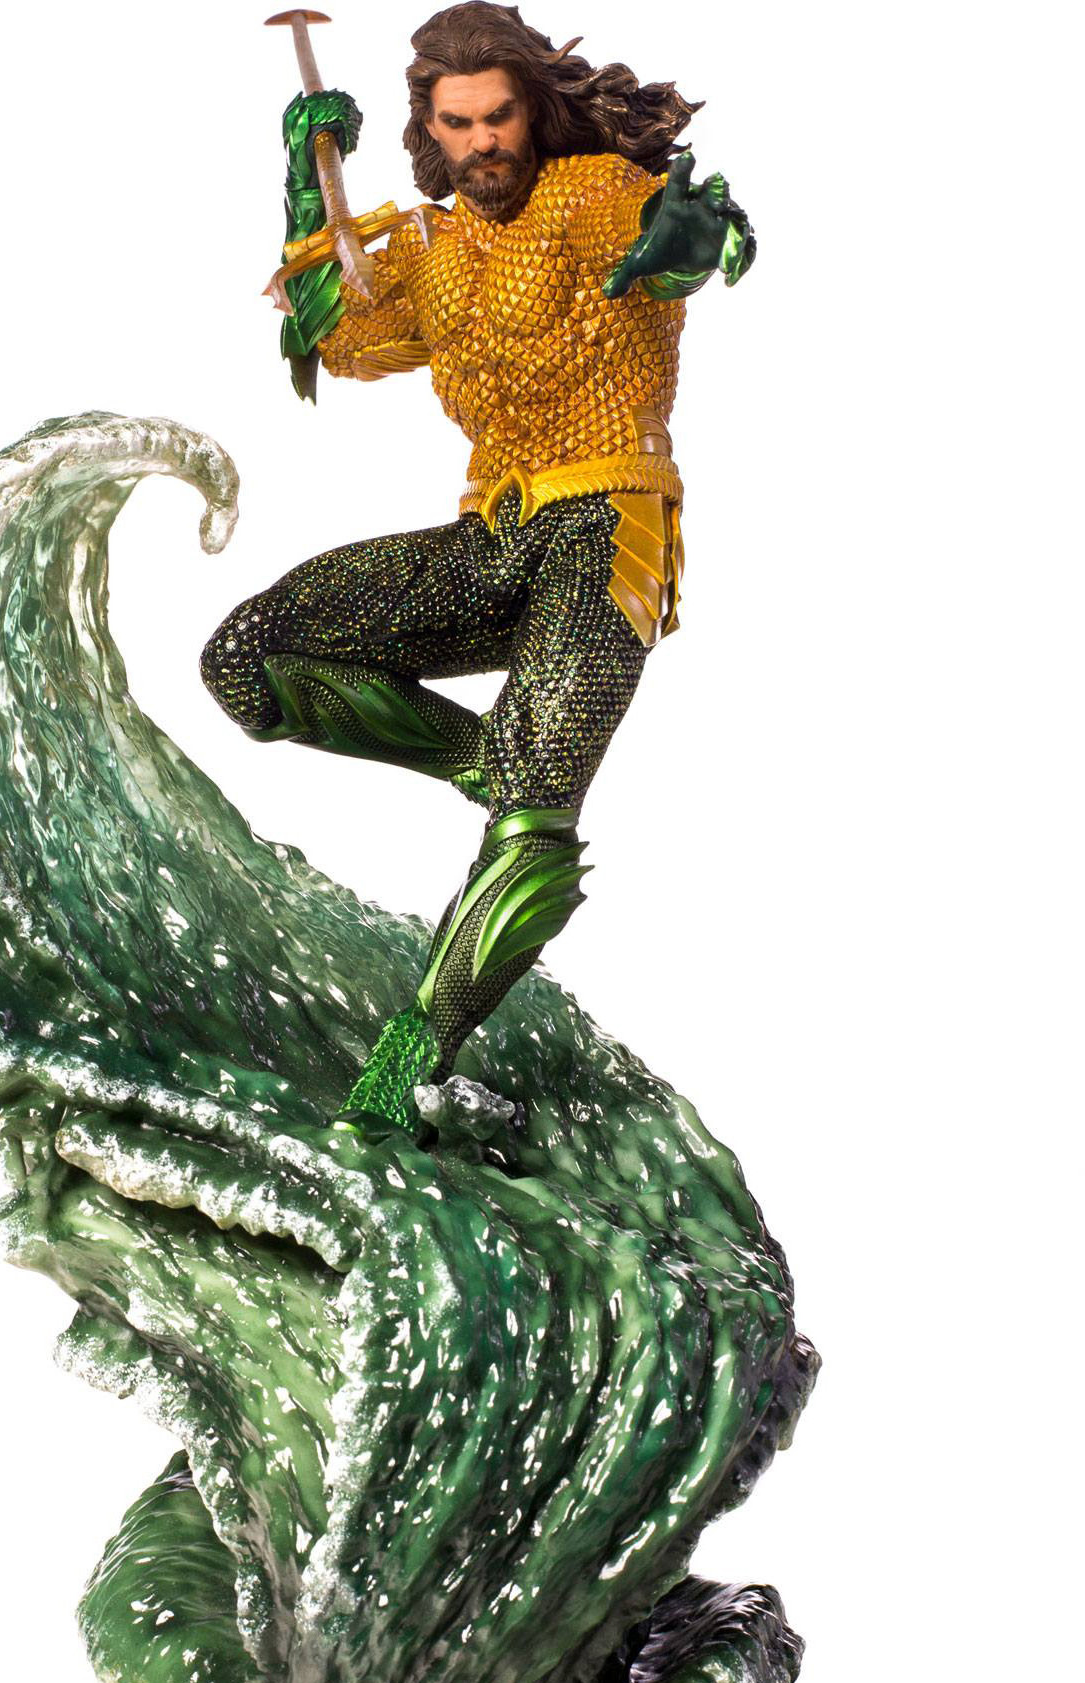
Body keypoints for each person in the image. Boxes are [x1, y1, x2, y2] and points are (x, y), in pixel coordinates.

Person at [201, 2, 754, 1139]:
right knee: (250, 659)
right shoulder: (432, 250)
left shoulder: (591, 196)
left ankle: (410, 1061)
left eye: (498, 117)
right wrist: (308, 186)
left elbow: (706, 248)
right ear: (430, 129)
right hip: (493, 535)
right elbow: (335, 335)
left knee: (531, 827)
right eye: (458, 124)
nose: (482, 142)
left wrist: (691, 246)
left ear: (531, 112)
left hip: (606, 528)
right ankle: (479, 758)